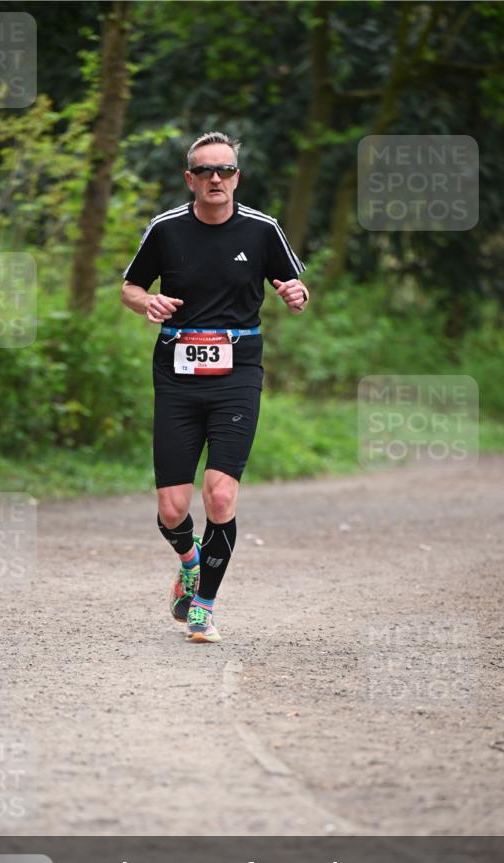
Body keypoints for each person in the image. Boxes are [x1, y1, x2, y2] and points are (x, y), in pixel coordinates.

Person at [121, 131, 308, 643]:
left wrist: (296, 293)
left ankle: (203, 604)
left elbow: (294, 284)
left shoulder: (262, 229)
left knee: (220, 497)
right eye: (205, 171)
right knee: (172, 508)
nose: (216, 179)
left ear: (237, 177)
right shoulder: (165, 230)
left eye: (224, 170)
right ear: (191, 179)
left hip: (237, 373)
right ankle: (188, 562)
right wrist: (147, 304)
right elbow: (130, 287)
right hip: (177, 375)